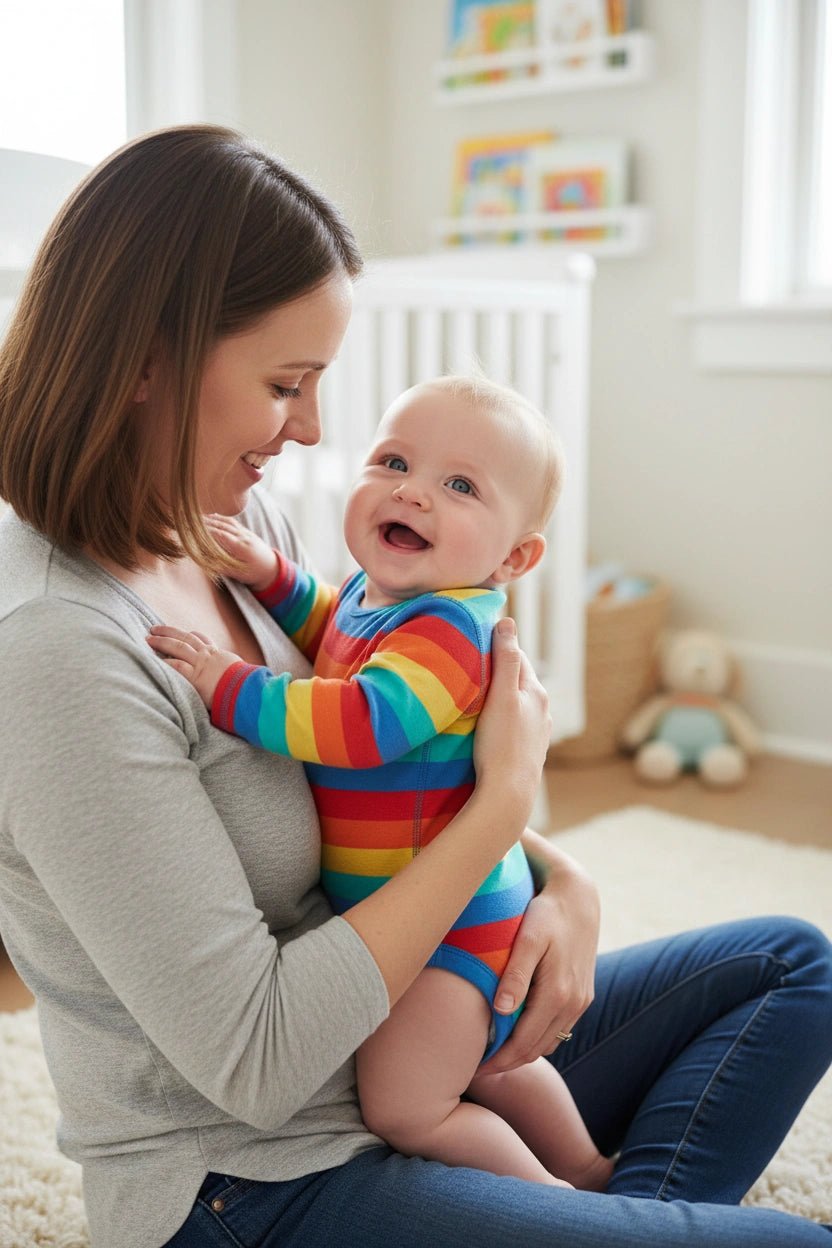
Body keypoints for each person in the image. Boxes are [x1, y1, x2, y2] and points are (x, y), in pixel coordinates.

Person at [0, 125, 830, 1248]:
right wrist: (502, 803)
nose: (313, 431)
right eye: (286, 384)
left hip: (413, 1032)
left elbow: (404, 751)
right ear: (150, 357)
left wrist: (559, 877)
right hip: (254, 1178)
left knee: (789, 964)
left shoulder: (240, 527)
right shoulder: (58, 647)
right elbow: (255, 1060)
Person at [146, 373, 613, 1191]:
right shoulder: (386, 598)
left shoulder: (453, 632)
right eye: (394, 461)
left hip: (448, 926)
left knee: (411, 1108)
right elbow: (336, 627)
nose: (413, 492)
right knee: (489, 1064)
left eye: (460, 486)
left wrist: (227, 683)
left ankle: (568, 1202)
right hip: (432, 909)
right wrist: (271, 576)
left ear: (514, 556)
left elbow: (359, 723)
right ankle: (589, 1166)